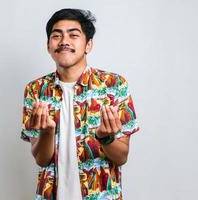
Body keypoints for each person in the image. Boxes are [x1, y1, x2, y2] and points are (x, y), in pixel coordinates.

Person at [21, 8, 139, 200]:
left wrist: (105, 138)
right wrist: (47, 132)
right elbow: (41, 160)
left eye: (73, 35)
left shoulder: (114, 85)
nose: (64, 41)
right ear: (48, 46)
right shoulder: (36, 90)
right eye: (56, 36)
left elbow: (121, 157)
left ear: (88, 45)